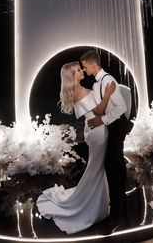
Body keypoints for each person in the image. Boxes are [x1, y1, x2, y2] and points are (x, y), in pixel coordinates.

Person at [36, 61, 116, 234]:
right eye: (77, 70)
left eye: (80, 68)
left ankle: (97, 204)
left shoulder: (78, 89)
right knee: (96, 169)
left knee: (96, 168)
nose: (81, 70)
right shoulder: (79, 90)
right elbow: (99, 112)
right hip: (98, 132)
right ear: (71, 76)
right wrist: (108, 94)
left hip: (93, 130)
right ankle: (89, 208)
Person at [80, 50, 129, 234]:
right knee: (117, 161)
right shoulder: (97, 83)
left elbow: (121, 107)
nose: (84, 69)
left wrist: (103, 120)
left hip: (118, 126)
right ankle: (121, 202)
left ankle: (117, 216)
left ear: (93, 64)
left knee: (110, 164)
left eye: (84, 66)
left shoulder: (108, 81)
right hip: (113, 125)